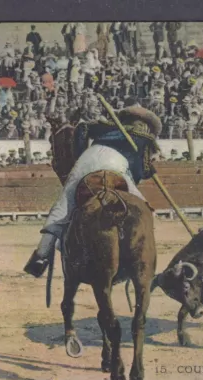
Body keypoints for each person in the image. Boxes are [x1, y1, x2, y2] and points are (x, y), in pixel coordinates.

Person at [23, 105, 163, 277]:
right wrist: (149, 171)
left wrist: (79, 155)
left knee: (63, 206)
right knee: (144, 209)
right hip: (117, 166)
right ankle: (138, 256)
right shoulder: (146, 138)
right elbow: (142, 171)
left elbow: (82, 129)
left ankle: (40, 257)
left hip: (87, 160)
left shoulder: (107, 126)